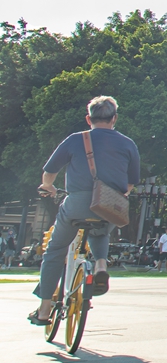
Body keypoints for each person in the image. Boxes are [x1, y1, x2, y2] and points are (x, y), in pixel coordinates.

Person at [29, 96, 140, 326]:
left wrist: (48, 187)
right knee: (101, 230)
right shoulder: (128, 144)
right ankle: (100, 263)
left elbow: (50, 171)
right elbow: (130, 184)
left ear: (88, 118)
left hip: (77, 203)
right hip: (110, 205)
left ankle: (44, 309)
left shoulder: (74, 140)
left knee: (55, 250)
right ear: (114, 119)